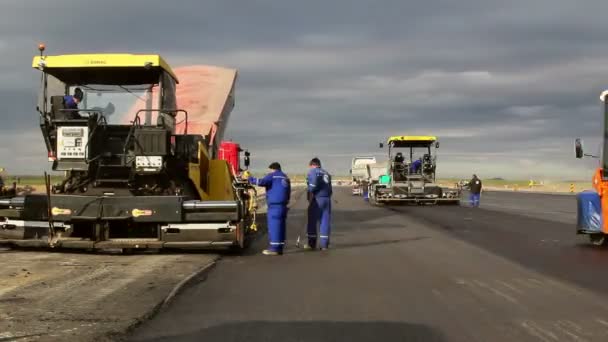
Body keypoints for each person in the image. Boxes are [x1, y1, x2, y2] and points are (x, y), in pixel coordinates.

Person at [246, 162, 291, 256]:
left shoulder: (272, 176)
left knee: (274, 227)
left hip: (274, 206)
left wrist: (249, 178)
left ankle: (274, 248)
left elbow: (261, 182)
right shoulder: (285, 177)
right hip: (283, 206)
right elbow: (288, 192)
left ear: (272, 169)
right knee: (281, 227)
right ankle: (279, 248)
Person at [305, 157, 333, 250]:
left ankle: (311, 244)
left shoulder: (313, 172)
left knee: (312, 221)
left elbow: (312, 187)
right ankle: (324, 245)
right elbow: (330, 189)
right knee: (325, 222)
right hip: (327, 199)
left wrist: (309, 189)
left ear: (312, 165)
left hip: (317, 199)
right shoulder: (327, 173)